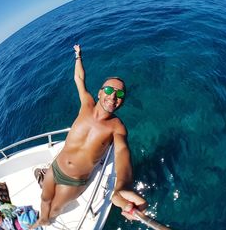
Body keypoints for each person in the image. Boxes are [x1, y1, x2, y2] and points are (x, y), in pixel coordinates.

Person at [30, 45, 147, 228]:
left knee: (54, 209)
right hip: (56, 167)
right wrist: (78, 57)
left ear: (122, 101)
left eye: (120, 94)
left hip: (73, 182)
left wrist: (122, 186)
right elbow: (79, 78)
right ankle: (39, 220)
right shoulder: (87, 104)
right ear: (100, 93)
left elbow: (122, 155)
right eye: (109, 90)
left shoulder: (117, 128)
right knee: (44, 198)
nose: (113, 95)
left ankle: (41, 224)